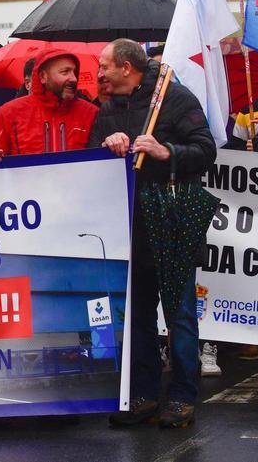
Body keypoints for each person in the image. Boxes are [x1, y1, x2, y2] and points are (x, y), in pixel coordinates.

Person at [91, 39, 216, 430]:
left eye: (105, 66)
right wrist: (104, 146)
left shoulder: (176, 99)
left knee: (179, 315)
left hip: (174, 220)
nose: (99, 74)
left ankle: (181, 395)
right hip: (130, 225)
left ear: (126, 67)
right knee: (138, 315)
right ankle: (143, 394)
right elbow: (91, 156)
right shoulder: (108, 109)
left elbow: (206, 149)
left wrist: (167, 152)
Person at [0, 47, 98, 159]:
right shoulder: (8, 114)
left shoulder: (91, 113)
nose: (74, 78)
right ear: (43, 76)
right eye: (65, 72)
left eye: (74, 72)